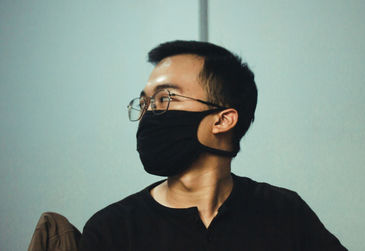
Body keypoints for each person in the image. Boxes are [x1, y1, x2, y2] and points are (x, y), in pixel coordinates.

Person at [79, 40, 347, 250]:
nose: (149, 113)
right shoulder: (111, 230)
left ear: (222, 120)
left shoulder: (283, 212)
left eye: (165, 99)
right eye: (145, 103)